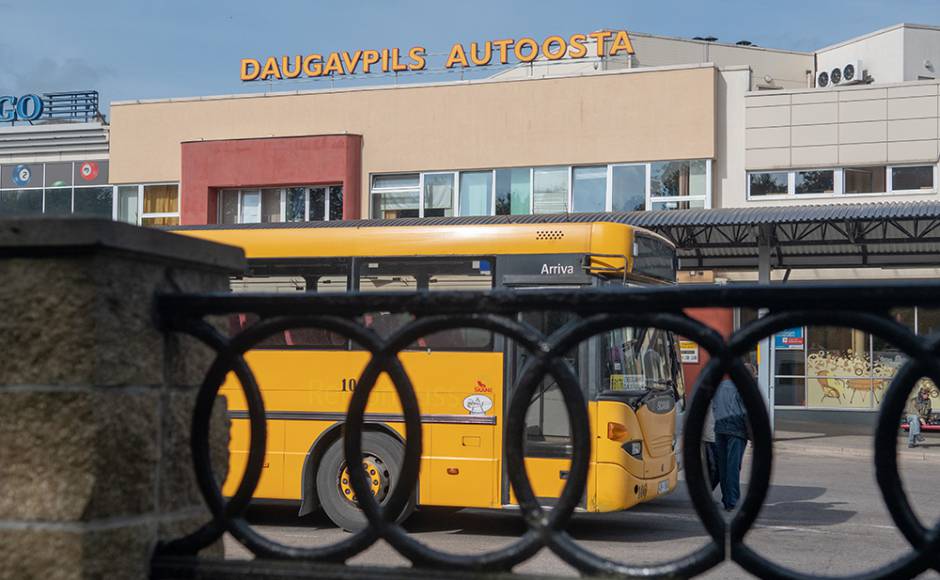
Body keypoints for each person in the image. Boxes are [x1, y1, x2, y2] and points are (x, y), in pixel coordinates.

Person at [712, 364, 752, 511]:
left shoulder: (721, 385)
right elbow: (747, 413)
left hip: (720, 428)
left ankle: (726, 499)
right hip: (736, 430)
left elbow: (714, 406)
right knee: (733, 466)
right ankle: (732, 500)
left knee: (723, 466)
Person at [702, 404, 720, 492]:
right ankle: (707, 490)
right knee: (713, 467)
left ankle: (707, 490)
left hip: (717, 437)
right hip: (709, 438)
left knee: (716, 468)